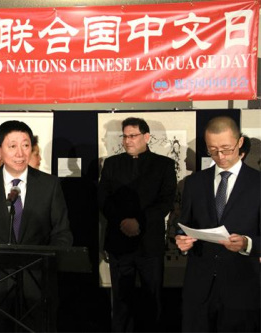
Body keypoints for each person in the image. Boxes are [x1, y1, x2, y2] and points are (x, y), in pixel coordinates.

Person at [0, 120, 73, 332]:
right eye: (12, 146)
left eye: (25, 145)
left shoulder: (50, 185)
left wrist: (44, 261)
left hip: (38, 281)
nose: (20, 153)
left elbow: (62, 233)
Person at [175, 116, 260, 332]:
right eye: (213, 150)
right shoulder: (194, 183)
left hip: (241, 287)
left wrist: (246, 244)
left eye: (226, 149)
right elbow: (183, 224)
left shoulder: (257, 184)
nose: (220, 156)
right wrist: (181, 240)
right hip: (199, 287)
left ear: (240, 143)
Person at [98, 117, 176, 332]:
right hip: (119, 243)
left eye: (133, 135)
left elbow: (165, 202)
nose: (128, 140)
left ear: (146, 137)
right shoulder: (112, 164)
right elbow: (103, 198)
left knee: (152, 300)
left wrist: (138, 221)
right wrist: (122, 222)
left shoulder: (164, 165)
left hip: (149, 244)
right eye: (124, 136)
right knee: (122, 303)